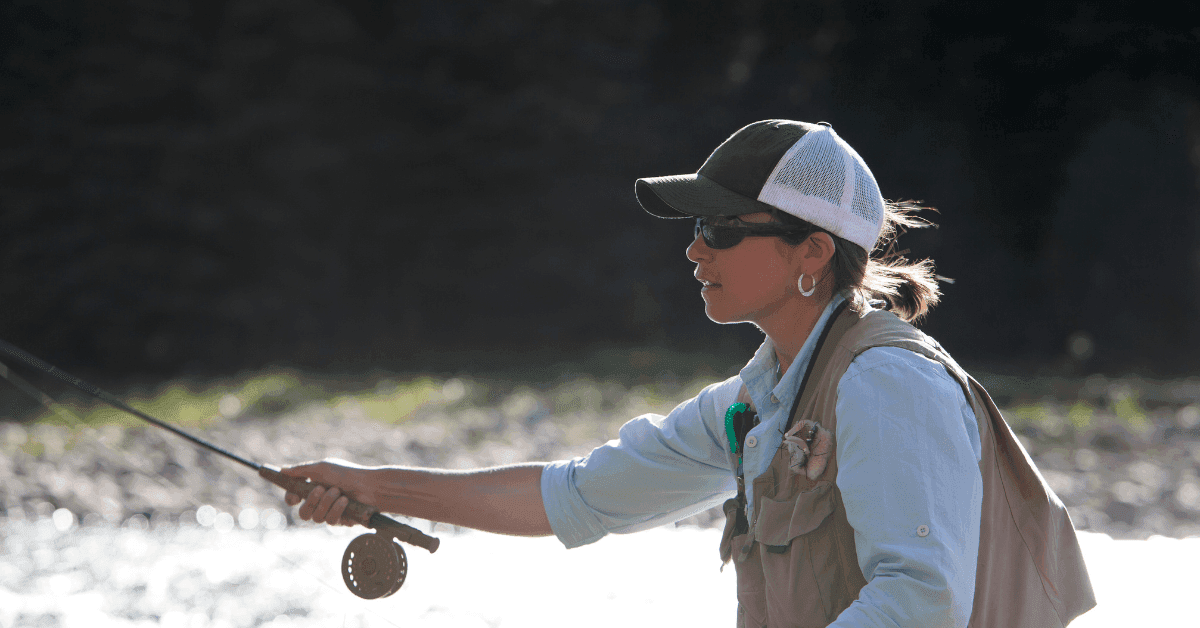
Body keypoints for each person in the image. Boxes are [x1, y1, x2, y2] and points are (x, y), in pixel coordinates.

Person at [283, 120, 1095, 627]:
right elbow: (576, 495)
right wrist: (373, 487)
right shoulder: (757, 401)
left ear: (812, 250)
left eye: (719, 227)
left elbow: (922, 603)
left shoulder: (887, 384)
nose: (694, 248)